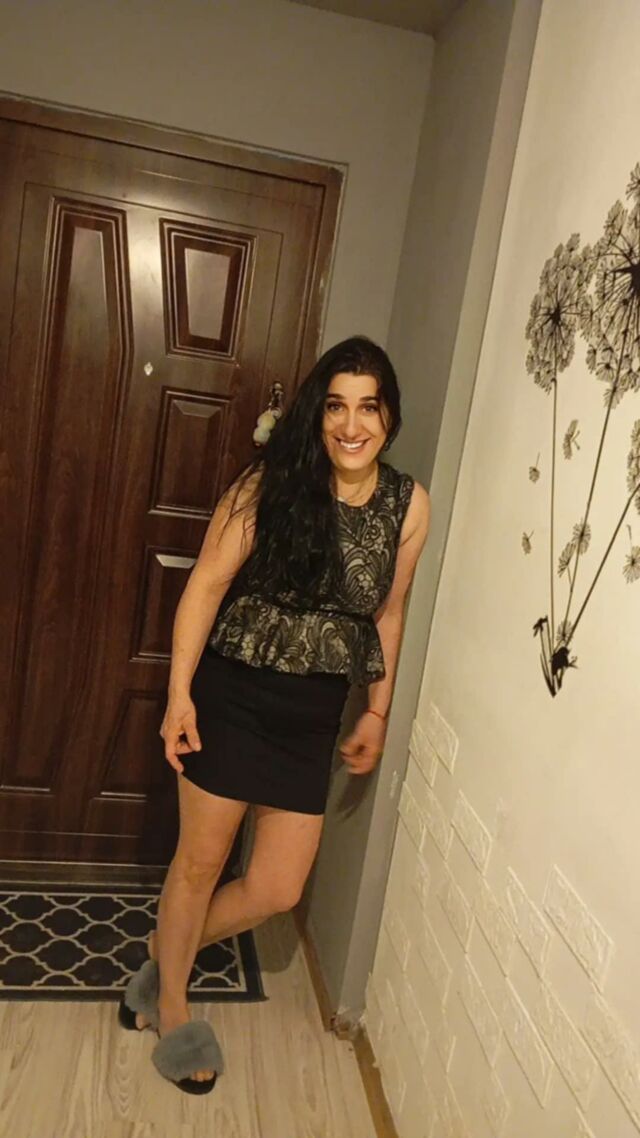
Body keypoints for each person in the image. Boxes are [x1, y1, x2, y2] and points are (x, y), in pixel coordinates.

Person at [118, 335, 430, 1093]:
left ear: (389, 416)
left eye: (368, 408)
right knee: (200, 864)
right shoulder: (270, 484)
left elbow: (388, 612)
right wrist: (179, 695)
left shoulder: (408, 505)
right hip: (233, 697)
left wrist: (378, 709)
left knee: (277, 888)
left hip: (313, 716)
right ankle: (173, 1010)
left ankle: (163, 959)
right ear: (317, 414)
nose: (351, 425)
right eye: (336, 407)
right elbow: (206, 585)